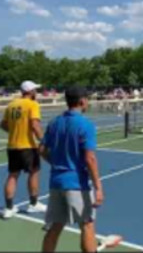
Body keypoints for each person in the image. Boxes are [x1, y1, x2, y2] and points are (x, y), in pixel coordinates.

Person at [39, 86, 104, 253]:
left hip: (56, 183)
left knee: (55, 227)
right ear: (82, 101)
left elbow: (42, 150)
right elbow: (90, 158)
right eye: (87, 99)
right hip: (76, 184)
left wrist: (57, 163)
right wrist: (98, 187)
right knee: (87, 225)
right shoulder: (86, 125)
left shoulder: (55, 122)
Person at [1, 80, 46, 219]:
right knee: (34, 172)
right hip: (28, 146)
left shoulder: (12, 105)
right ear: (30, 91)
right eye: (35, 90)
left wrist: (14, 132)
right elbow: (35, 125)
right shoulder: (32, 104)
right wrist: (44, 141)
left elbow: (3, 124)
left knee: (13, 175)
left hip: (12, 146)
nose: (36, 92)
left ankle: (8, 208)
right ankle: (33, 204)